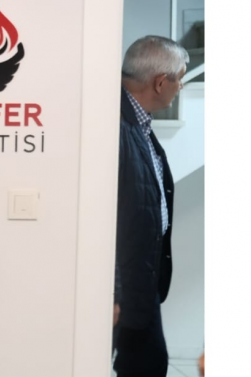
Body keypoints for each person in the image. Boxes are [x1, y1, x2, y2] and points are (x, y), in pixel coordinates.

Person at [112, 35, 189, 377]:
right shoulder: (113, 126)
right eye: (179, 78)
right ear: (160, 82)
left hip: (140, 282)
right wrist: (112, 293)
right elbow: (105, 220)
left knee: (148, 364)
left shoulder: (138, 124)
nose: (181, 87)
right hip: (122, 288)